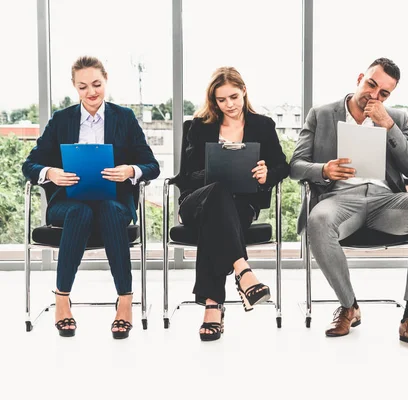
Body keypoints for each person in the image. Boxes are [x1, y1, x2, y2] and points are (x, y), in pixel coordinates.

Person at [290, 58, 408, 351]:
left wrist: (388, 126)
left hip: (386, 201)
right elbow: (296, 165)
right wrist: (323, 170)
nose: (374, 95)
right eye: (371, 84)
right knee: (318, 220)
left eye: (384, 93)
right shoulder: (321, 115)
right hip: (339, 199)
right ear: (360, 77)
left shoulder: (395, 118)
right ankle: (349, 306)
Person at [22, 56, 160, 339]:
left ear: (105, 80)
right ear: (75, 87)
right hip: (68, 204)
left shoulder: (125, 118)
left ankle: (125, 302)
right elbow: (30, 165)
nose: (91, 92)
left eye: (96, 84)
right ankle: (62, 299)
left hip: (115, 202)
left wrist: (129, 170)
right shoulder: (61, 120)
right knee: (80, 212)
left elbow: (151, 166)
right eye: (83, 87)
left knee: (108, 209)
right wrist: (52, 173)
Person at [177, 67, 290, 341]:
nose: (229, 105)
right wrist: (217, 171)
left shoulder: (262, 126)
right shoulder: (199, 127)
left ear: (244, 92)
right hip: (197, 202)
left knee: (215, 222)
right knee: (217, 192)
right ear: (213, 101)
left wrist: (267, 174)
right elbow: (185, 176)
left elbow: (282, 166)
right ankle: (243, 271)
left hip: (240, 205)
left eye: (234, 97)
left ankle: (213, 307)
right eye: (222, 100)